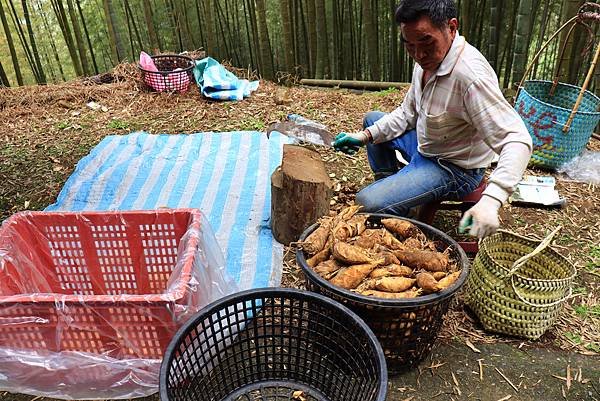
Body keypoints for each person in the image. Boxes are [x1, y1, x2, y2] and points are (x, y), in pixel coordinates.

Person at [333, 0, 532, 239]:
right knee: (372, 121)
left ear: (451, 27)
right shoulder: (426, 61)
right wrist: (363, 137)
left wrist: (493, 198)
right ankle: (396, 196)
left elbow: (517, 139)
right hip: (427, 145)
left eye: (427, 42)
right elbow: (407, 113)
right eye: (410, 46)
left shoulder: (470, 78)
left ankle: (388, 202)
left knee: (366, 203)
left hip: (454, 169)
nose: (418, 54)